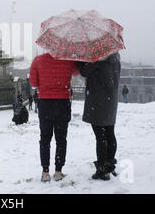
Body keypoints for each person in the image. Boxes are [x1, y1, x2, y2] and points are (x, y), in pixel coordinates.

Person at [29, 53, 78, 182]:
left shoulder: (38, 60)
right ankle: (58, 171)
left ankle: (45, 172)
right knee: (61, 139)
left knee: (45, 139)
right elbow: (77, 72)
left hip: (45, 103)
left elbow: (34, 82)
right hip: (62, 103)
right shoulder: (67, 60)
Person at [78, 53, 121, 181]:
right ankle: (109, 165)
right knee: (109, 132)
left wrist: (79, 61)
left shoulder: (97, 58)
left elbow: (84, 71)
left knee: (100, 136)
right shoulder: (115, 56)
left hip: (98, 100)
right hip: (111, 99)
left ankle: (102, 169)